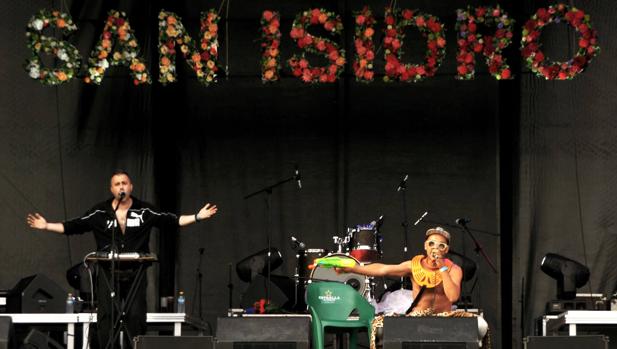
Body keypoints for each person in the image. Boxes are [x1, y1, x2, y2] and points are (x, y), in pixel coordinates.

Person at [26, 170, 218, 349]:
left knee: (135, 315)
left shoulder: (144, 211)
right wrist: (46, 226)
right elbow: (73, 226)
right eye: (117, 184)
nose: (121, 187)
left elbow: (172, 220)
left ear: (131, 187)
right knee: (107, 316)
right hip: (108, 272)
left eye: (124, 183)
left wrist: (197, 217)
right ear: (112, 189)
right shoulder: (100, 212)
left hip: (136, 272)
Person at [338, 227, 489, 348]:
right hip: (418, 318)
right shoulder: (413, 265)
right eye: (431, 244)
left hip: (445, 318)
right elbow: (383, 269)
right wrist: (352, 268)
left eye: (440, 245)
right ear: (425, 246)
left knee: (481, 326)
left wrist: (443, 269)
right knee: (381, 328)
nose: (435, 248)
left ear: (446, 250)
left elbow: (453, 297)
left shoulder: (454, 270)